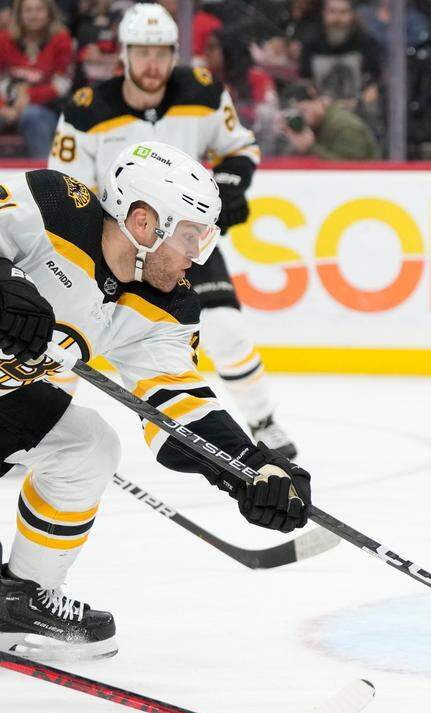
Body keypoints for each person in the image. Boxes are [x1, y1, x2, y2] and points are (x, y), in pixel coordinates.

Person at [0, 140, 312, 659]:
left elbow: (179, 402)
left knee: (88, 445)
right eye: (190, 235)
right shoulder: (53, 205)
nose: (197, 255)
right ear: (143, 223)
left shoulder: (164, 304)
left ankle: (19, 602)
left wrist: (249, 468)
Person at [50, 2, 299, 459]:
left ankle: (264, 421)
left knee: (226, 328)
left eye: (162, 53)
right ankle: (37, 417)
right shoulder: (87, 109)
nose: (152, 64)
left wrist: (231, 185)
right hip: (114, 247)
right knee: (64, 333)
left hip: (182, 244)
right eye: (142, 53)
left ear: (175, 54)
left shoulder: (202, 91)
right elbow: (69, 186)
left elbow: (240, 147)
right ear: (124, 54)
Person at [0, 0, 73, 157]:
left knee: (32, 115)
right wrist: (3, 107)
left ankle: (43, 169)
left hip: (47, 109)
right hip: (8, 105)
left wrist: (29, 96)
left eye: (39, 9)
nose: (33, 15)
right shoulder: (4, 39)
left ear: (49, 13)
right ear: (19, 14)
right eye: (28, 10)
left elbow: (61, 85)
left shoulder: (61, 39)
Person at [276, 79, 380, 159]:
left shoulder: (343, 125)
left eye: (303, 110)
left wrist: (310, 148)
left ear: (317, 101)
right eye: (297, 114)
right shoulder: (315, 127)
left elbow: (351, 171)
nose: (303, 117)